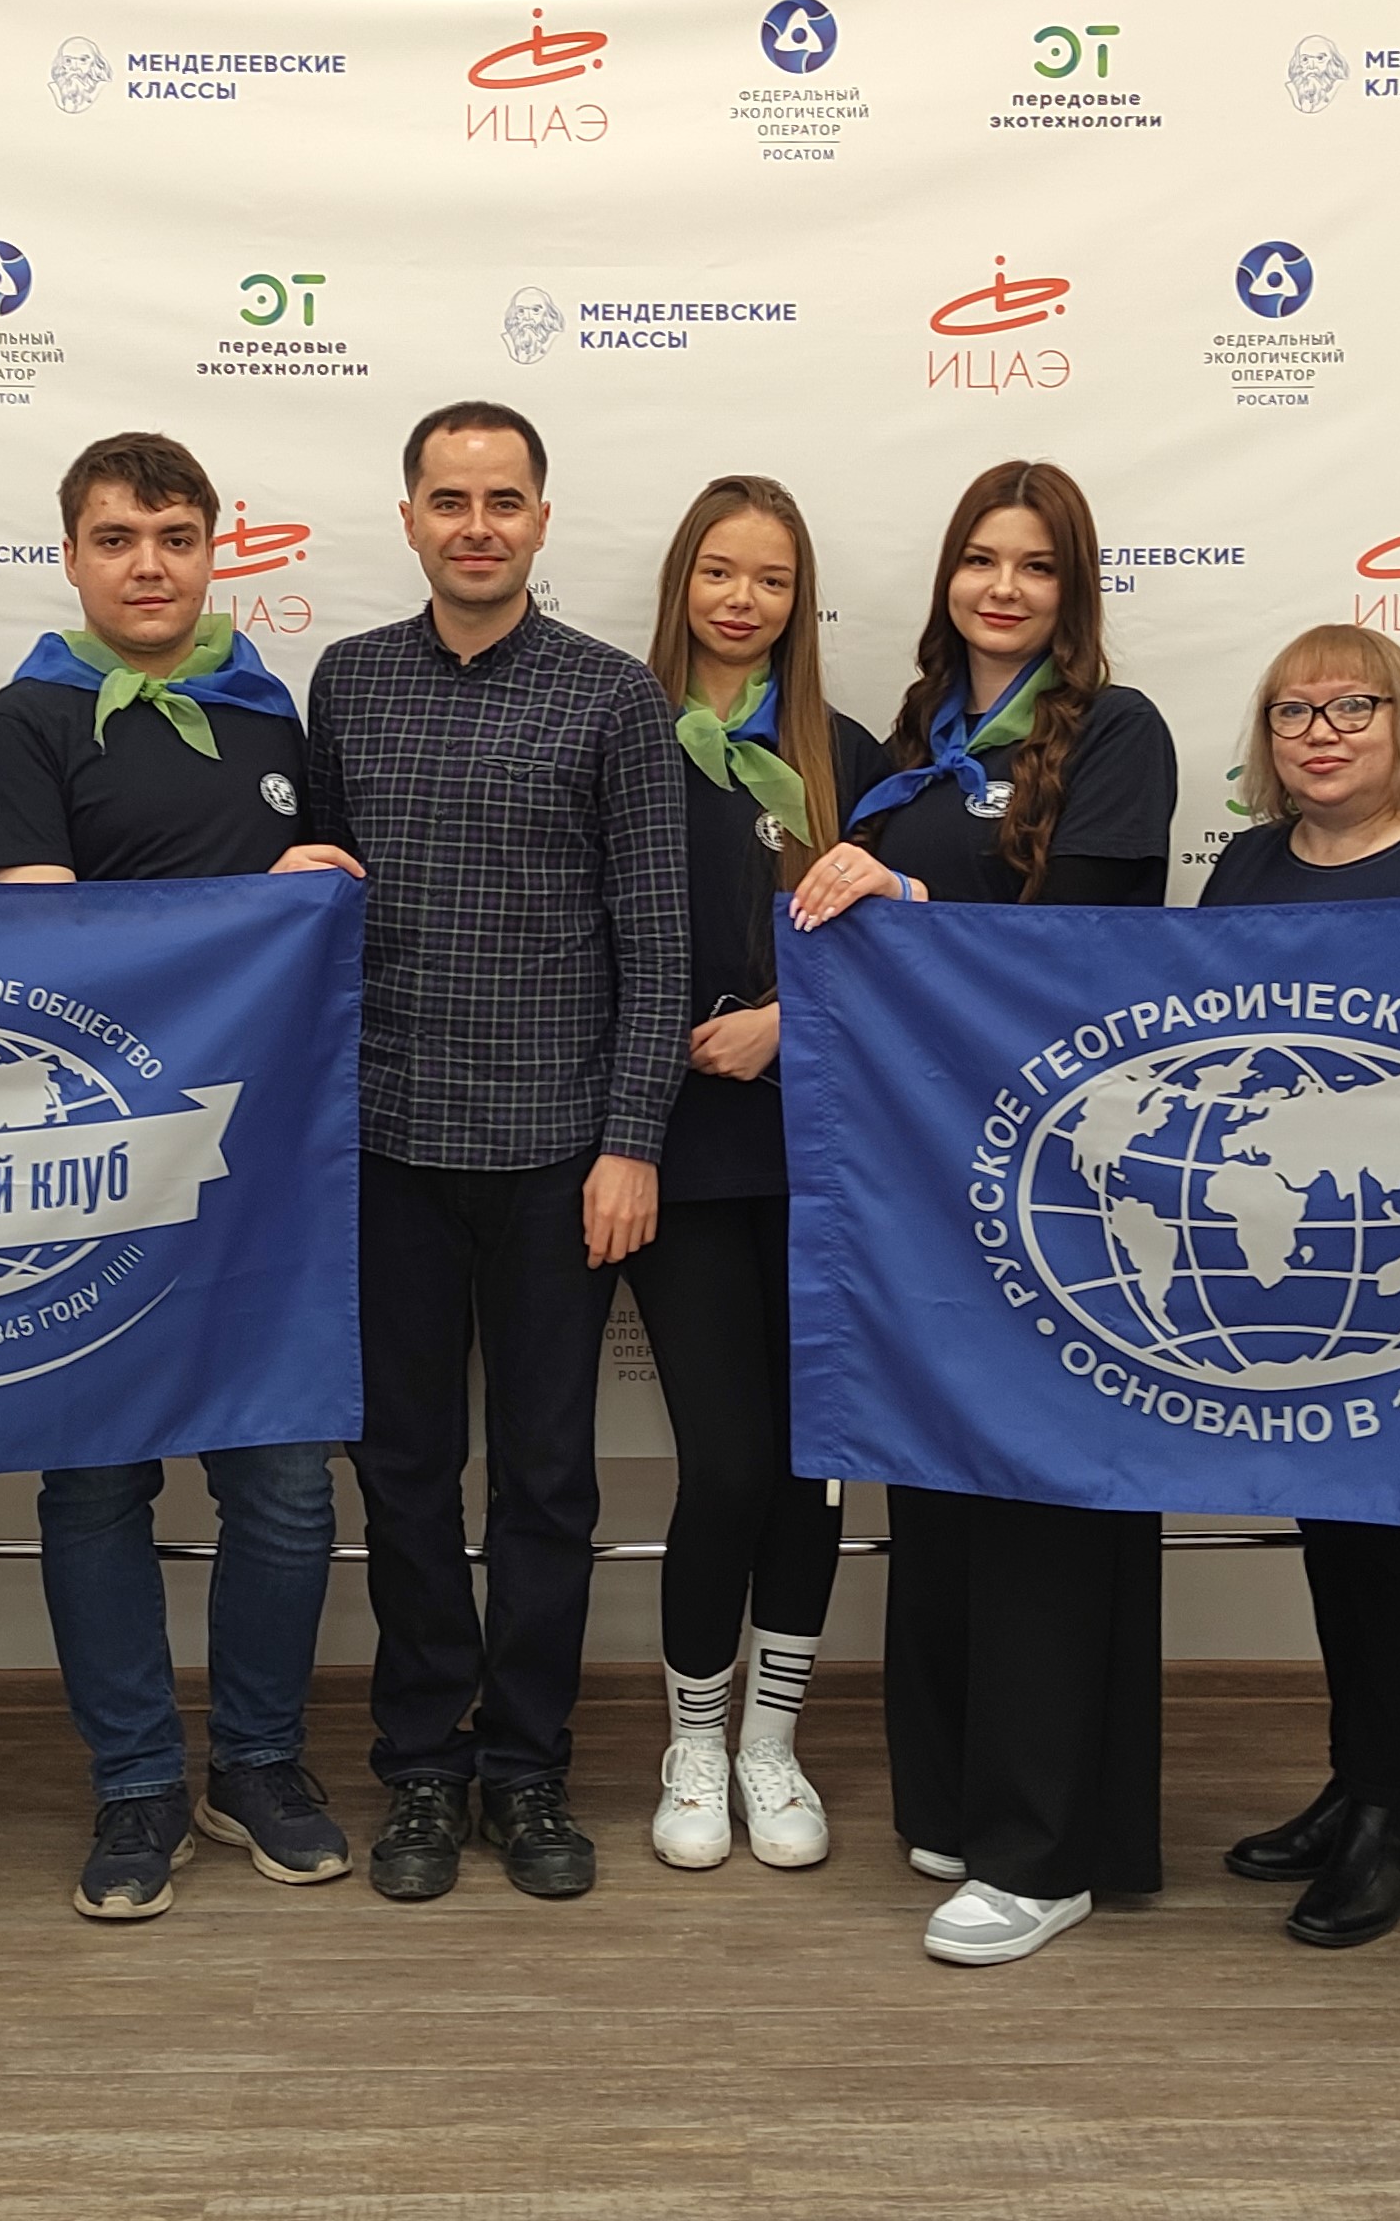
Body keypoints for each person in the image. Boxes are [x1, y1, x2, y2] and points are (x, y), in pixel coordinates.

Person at [0, 431, 362, 1921]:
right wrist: (250, 902)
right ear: (71, 555)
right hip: (92, 1168)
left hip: (267, 1172)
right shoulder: (24, 723)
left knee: (285, 1486)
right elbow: (41, 952)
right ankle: (133, 1780)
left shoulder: (270, 713)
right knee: (96, 1480)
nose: (149, 565)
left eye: (176, 537)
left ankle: (256, 1763)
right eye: (118, 538)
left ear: (212, 552)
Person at [787, 458, 1178, 1967]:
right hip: (932, 1182)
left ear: (1073, 593)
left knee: (1044, 1499)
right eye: (979, 559)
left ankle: (1045, 1848)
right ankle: (956, 1796)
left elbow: (1093, 956)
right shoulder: (912, 744)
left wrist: (912, 913)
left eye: (1035, 565)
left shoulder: (1116, 732)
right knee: (940, 1484)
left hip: (1070, 1182)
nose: (1001, 587)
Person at [299, 400, 687, 1903]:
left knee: (546, 1484)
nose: (477, 526)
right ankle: (420, 1765)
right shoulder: (348, 681)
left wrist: (631, 1142)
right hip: (384, 1146)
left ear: (541, 520)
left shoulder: (612, 696)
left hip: (555, 1159)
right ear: (408, 517)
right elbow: (314, 911)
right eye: (449, 501)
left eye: (503, 501)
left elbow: (655, 944)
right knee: (401, 1475)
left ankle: (525, 1768)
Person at [1200, 624, 1400, 1948]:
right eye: (1292, 712)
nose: (1320, 732)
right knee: (1337, 1537)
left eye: (1352, 706)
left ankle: (1399, 1818)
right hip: (1298, 1269)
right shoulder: (1244, 868)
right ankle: (1354, 1780)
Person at [624, 476, 887, 1873]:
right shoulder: (622, 729)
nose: (742, 600)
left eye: (771, 579)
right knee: (726, 1465)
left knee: (811, 1468)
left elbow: (899, 954)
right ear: (683, 583)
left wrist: (793, 1020)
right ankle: (690, 1740)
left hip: (823, 1157)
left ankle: (770, 1745)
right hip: (674, 1152)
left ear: (800, 602)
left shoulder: (843, 750)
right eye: (719, 572)